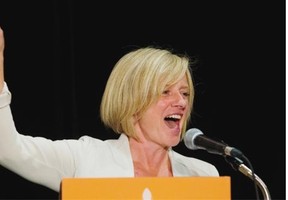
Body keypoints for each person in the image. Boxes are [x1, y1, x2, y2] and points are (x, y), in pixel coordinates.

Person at [0, 26, 219, 193]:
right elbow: (8, 150)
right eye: (165, 92)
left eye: (185, 93)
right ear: (132, 100)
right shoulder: (85, 158)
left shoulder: (203, 174)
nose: (181, 102)